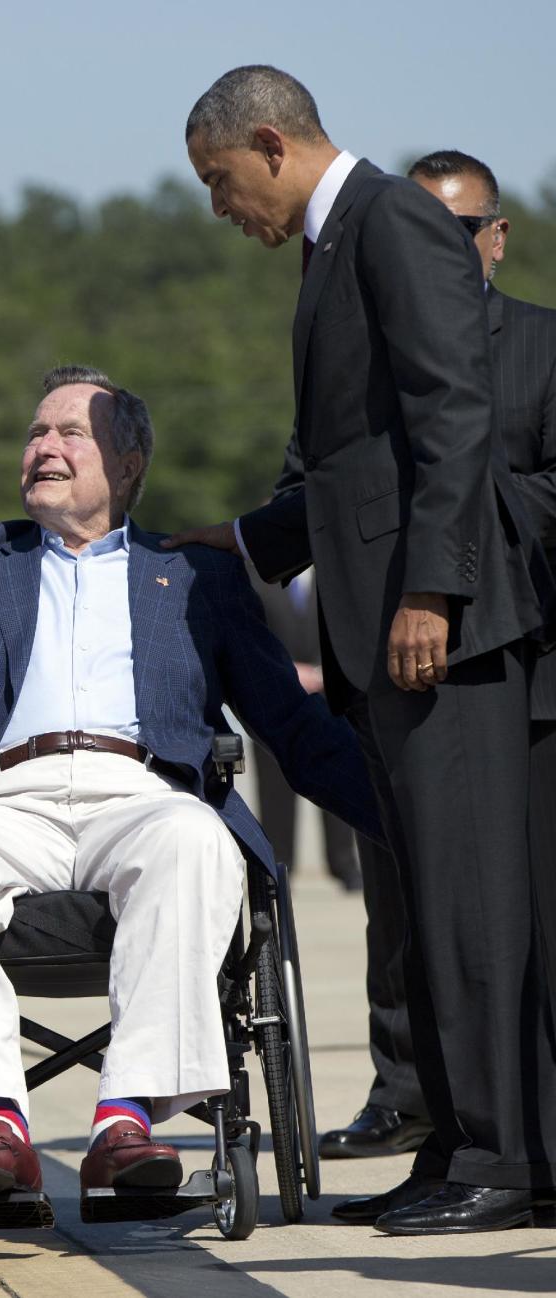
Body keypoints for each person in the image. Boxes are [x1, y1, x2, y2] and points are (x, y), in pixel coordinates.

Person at [172, 65, 556, 1233]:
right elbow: (355, 462)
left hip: (440, 628)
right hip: (381, 631)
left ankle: (505, 1158)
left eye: (220, 179)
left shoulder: (391, 218)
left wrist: (433, 589)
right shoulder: (335, 246)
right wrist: (240, 538)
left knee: (471, 902)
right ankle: (457, 1143)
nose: (219, 205)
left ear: (274, 144)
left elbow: (451, 414)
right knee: (427, 902)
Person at [0, 365, 381, 1198]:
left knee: (195, 836)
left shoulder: (194, 574)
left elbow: (290, 726)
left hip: (140, 793)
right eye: (36, 432)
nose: (45, 446)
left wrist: (406, 817)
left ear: (130, 463)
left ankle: (126, 1120)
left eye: (71, 433)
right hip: (3, 797)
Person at [322, 149, 556, 1162]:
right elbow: (321, 486)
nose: (439, 250)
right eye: (420, 231)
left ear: (495, 239)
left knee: (515, 926)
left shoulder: (544, 347)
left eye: (458, 232)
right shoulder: (372, 353)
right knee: (411, 919)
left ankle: (520, 1144)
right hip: (404, 675)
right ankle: (422, 1111)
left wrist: (451, 525)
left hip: (522, 666)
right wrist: (241, 542)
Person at [249, 568, 362, 891]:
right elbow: (250, 630)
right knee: (274, 787)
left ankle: (343, 865)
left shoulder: (336, 573)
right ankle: (281, 865)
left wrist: (323, 672)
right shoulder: (257, 576)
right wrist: (285, 670)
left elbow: (352, 628)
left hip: (334, 695)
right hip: (275, 696)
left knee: (341, 776)